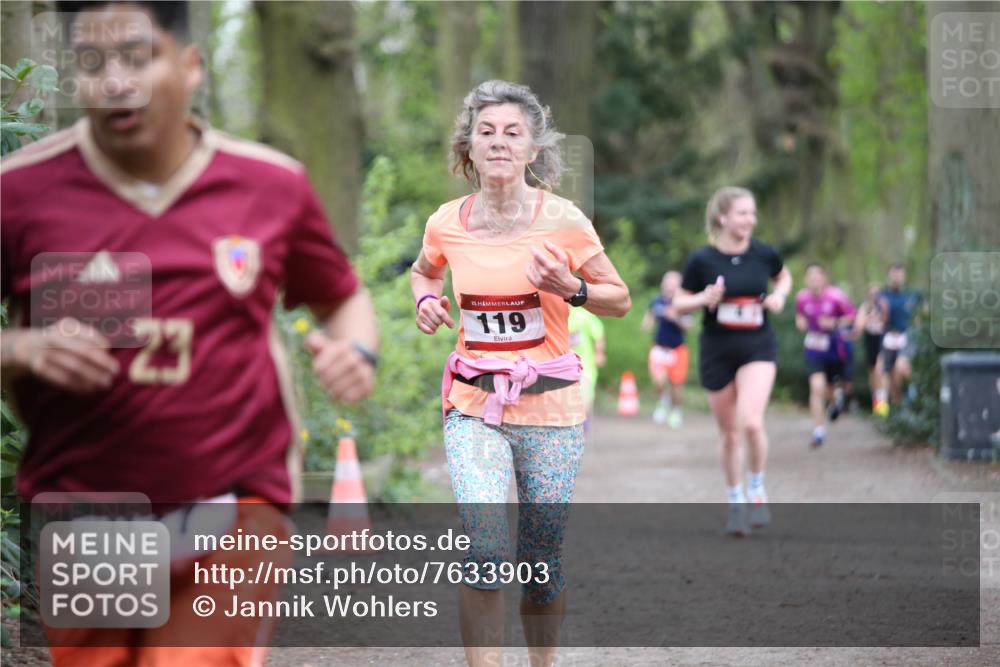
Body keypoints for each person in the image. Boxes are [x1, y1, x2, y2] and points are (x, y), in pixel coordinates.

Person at [0, 2, 378, 665]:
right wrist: (22, 348)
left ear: (191, 66)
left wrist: (357, 351)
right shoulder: (20, 193)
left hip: (232, 501)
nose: (116, 81)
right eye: (92, 62)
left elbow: (342, 297)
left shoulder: (268, 186)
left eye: (137, 57)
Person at [410, 80, 630, 667]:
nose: (499, 142)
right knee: (483, 553)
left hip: (552, 410)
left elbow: (619, 298)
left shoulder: (563, 220)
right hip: (474, 406)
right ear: (469, 147)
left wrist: (572, 288)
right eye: (486, 132)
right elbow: (424, 271)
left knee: (540, 562)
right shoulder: (446, 222)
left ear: (534, 149)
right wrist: (425, 300)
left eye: (512, 133)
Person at [673, 186, 791, 537]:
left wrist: (780, 296)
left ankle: (757, 488)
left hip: (757, 345)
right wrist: (703, 298)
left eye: (752, 213)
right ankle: (735, 501)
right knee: (728, 433)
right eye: (742, 213)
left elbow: (783, 276)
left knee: (751, 421)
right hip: (717, 349)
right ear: (722, 217)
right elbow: (678, 302)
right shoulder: (702, 260)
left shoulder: (764, 254)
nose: (750, 220)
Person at [794, 264, 857, 448]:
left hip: (834, 347)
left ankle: (836, 401)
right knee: (816, 387)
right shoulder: (802, 298)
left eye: (817, 277)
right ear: (806, 280)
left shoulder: (836, 296)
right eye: (810, 277)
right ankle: (818, 431)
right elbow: (800, 316)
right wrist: (801, 323)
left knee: (830, 388)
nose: (813, 280)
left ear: (824, 279)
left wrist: (834, 322)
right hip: (814, 348)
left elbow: (852, 316)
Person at [642, 270, 693, 428]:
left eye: (674, 284)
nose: (670, 287)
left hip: (678, 349)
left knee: (677, 385)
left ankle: (676, 410)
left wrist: (675, 318)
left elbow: (689, 327)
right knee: (659, 380)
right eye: (668, 283)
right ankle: (663, 401)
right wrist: (648, 322)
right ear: (663, 284)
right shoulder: (656, 301)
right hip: (659, 348)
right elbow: (647, 322)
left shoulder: (684, 304)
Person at [876, 264, 922, 411]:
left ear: (904, 276)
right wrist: (884, 311)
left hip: (907, 337)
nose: (896, 277)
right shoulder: (882, 296)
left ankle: (914, 401)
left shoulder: (913, 295)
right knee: (883, 371)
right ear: (889, 276)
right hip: (889, 337)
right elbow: (881, 321)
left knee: (901, 369)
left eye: (899, 274)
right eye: (894, 274)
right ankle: (884, 409)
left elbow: (920, 317)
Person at [568, 306, 606, 427]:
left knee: (585, 399)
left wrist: (599, 353)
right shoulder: (556, 314)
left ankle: (583, 425)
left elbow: (598, 333)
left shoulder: (583, 315)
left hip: (585, 365)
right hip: (564, 366)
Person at [854, 283, 888, 415]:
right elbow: (859, 326)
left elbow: (888, 322)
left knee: (880, 370)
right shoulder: (865, 307)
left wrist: (882, 313)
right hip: (870, 341)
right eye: (872, 294)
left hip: (882, 341)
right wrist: (869, 318)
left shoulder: (885, 306)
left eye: (877, 293)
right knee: (873, 373)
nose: (875, 296)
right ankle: (877, 405)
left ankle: (883, 407)